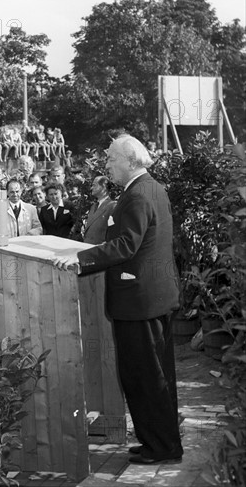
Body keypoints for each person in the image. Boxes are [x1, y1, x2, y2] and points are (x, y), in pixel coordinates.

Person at [53, 135, 183, 465]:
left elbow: (126, 245)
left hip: (140, 303)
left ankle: (161, 446)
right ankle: (161, 441)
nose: (107, 165)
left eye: (111, 159)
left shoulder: (138, 194)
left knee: (144, 377)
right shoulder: (150, 187)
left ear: (130, 161)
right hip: (152, 299)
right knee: (157, 375)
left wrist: (81, 260)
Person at [83, 176, 117, 244]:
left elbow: (114, 232)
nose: (91, 188)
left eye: (94, 185)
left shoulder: (112, 206)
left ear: (103, 186)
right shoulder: (93, 206)